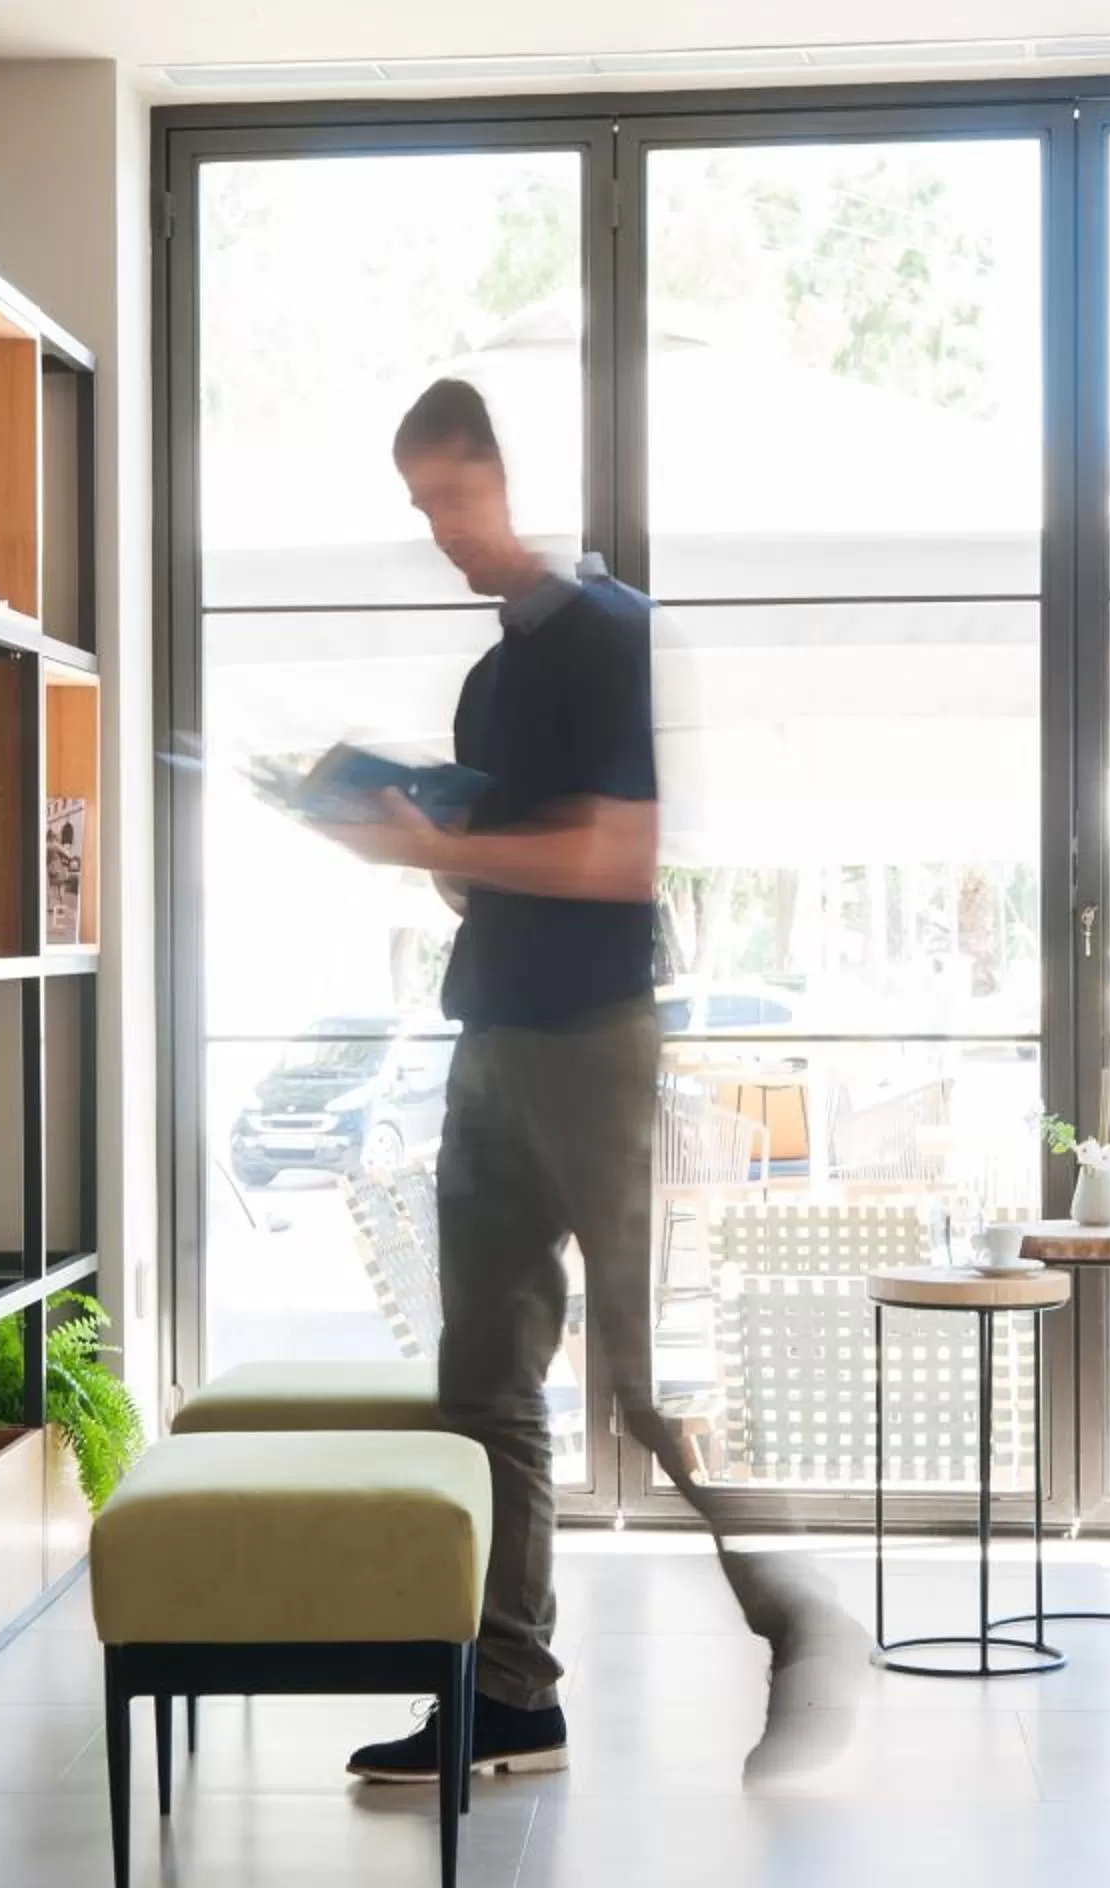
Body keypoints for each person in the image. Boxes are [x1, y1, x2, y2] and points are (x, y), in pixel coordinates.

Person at [317, 377, 860, 1788]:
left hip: (590, 1046)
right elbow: (489, 889)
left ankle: (807, 1621)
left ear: (501, 476)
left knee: (633, 1382)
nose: (441, 528)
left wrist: (441, 849)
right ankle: (514, 1699)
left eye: (451, 495)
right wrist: (405, 838)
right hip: (490, 1036)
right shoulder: (487, 680)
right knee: (484, 1379)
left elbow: (614, 860)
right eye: (420, 506)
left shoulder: (610, 634)